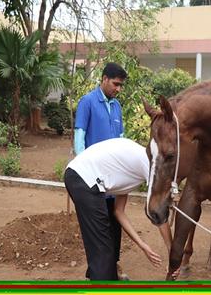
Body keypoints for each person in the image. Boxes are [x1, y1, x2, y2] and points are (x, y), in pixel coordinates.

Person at [64, 138, 173, 280]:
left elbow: (118, 211)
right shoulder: (150, 164)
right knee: (103, 247)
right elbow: (159, 214)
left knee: (104, 244)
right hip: (84, 178)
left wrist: (142, 245)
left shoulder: (129, 167)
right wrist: (173, 254)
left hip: (80, 177)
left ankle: (100, 277)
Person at [73, 62, 127, 279]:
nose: (118, 89)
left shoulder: (117, 107)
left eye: (121, 85)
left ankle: (112, 267)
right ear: (104, 79)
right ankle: (97, 272)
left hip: (113, 181)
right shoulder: (87, 102)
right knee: (97, 229)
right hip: (93, 180)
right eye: (115, 84)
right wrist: (85, 174)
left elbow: (121, 140)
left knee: (114, 226)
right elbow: (79, 139)